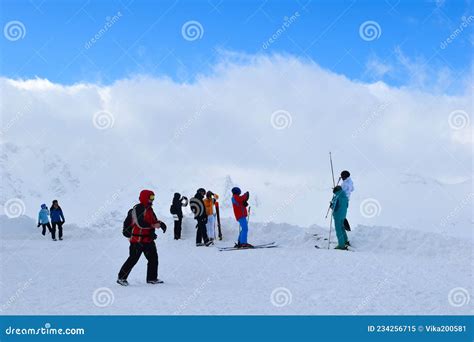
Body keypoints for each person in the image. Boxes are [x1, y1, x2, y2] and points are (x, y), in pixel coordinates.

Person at [117, 190, 167, 286]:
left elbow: (154, 220)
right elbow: (140, 223)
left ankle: (152, 278)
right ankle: (121, 278)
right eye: (151, 197)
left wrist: (161, 224)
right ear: (145, 197)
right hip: (137, 240)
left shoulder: (150, 209)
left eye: (153, 197)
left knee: (153, 259)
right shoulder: (138, 209)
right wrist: (153, 225)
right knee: (133, 259)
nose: (152, 200)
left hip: (148, 240)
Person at [331, 185, 349, 250]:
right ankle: (345, 241)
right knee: (342, 228)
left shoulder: (337, 197)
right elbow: (347, 206)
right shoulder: (345, 197)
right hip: (343, 215)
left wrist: (331, 205)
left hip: (337, 215)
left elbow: (334, 207)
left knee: (338, 230)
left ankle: (341, 245)